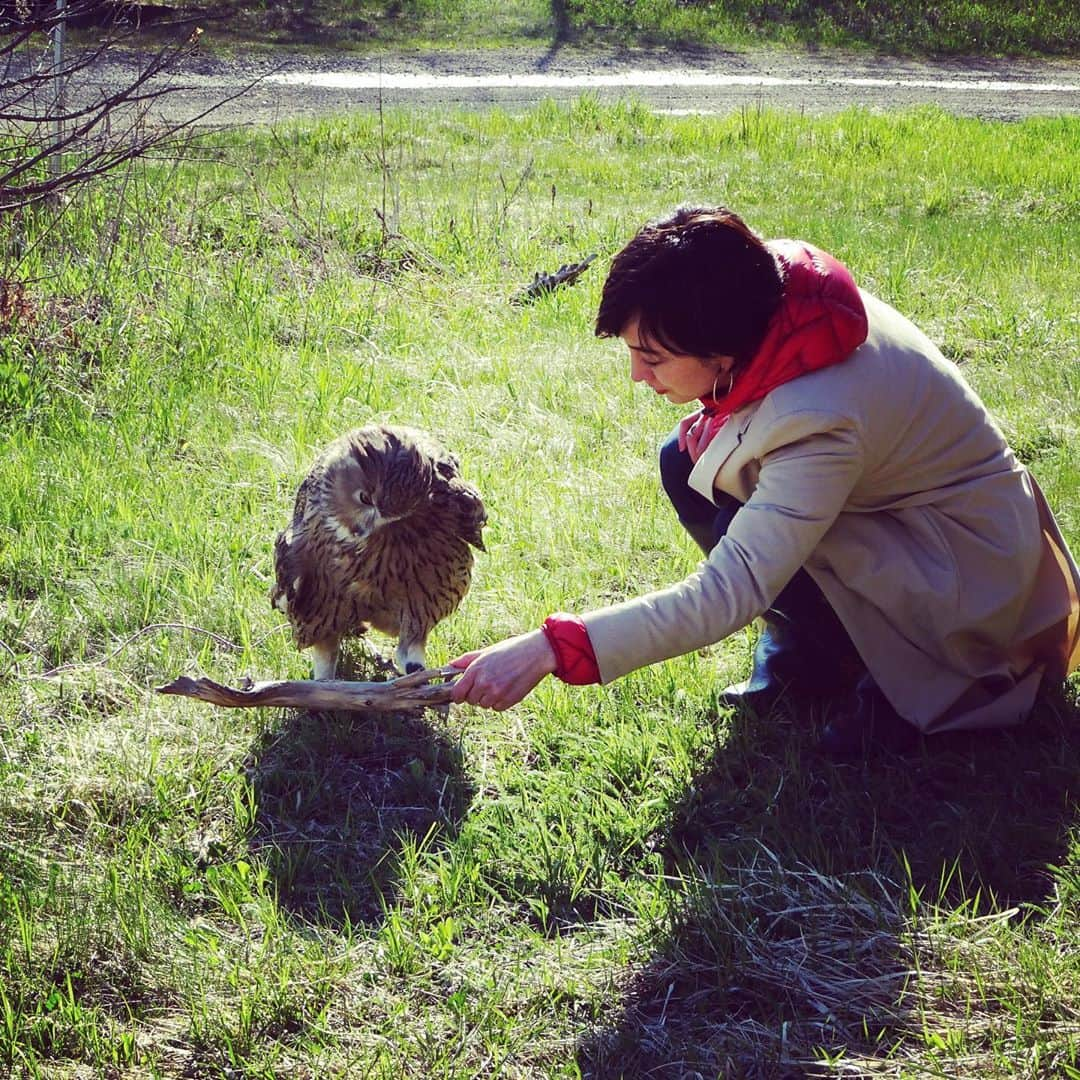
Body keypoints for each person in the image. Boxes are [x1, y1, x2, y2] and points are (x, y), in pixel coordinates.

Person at [450, 206, 1080, 754]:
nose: (637, 377)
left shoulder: (818, 421)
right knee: (688, 462)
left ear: (720, 355)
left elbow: (731, 590)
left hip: (967, 580)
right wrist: (719, 418)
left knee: (729, 501)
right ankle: (811, 656)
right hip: (902, 518)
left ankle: (905, 686)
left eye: (654, 357)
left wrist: (549, 649)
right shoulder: (765, 290)